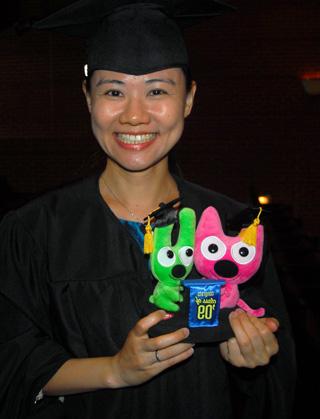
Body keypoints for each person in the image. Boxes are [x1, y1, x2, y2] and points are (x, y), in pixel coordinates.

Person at [0, 1, 295, 418]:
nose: (135, 115)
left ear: (189, 100)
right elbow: (11, 362)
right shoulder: (32, 231)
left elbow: (276, 387)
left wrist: (252, 363)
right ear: (87, 99)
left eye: (157, 91)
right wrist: (114, 371)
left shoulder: (237, 230)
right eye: (114, 91)